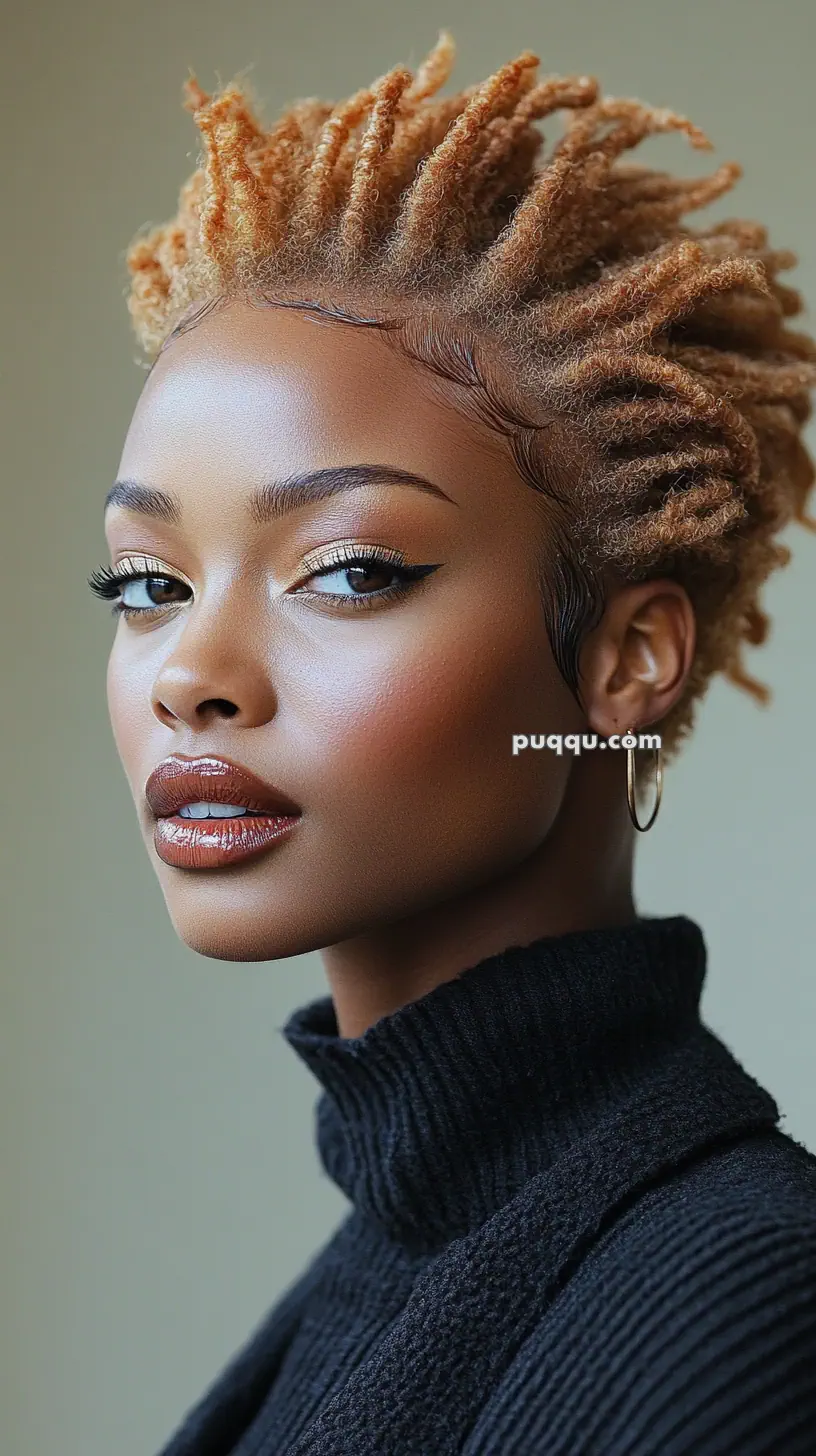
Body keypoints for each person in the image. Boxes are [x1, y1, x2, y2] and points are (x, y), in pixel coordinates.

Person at [89, 30, 816, 1454]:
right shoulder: (374, 1277)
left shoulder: (742, 1308)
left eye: (350, 571)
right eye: (147, 584)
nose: (194, 674)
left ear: (626, 662)